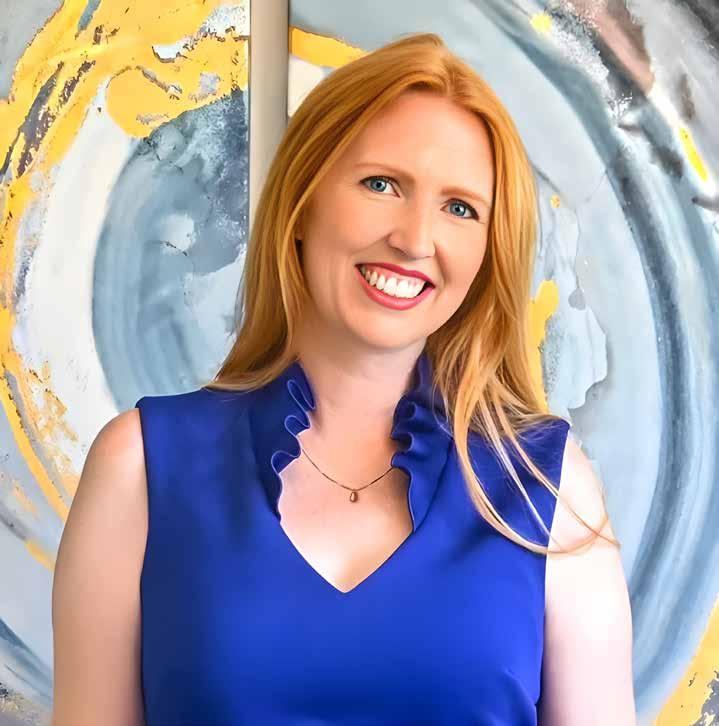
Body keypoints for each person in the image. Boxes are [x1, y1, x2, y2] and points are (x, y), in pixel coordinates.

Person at [51, 32, 636, 725]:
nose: (414, 239)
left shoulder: (547, 486)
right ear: (302, 202)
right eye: (381, 184)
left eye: (459, 208)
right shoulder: (140, 466)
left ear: (487, 251)